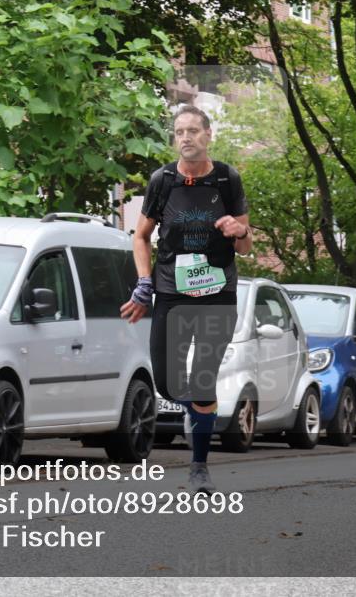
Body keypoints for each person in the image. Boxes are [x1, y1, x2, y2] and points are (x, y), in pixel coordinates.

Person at [120, 104, 251, 493]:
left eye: (194, 130)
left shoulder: (227, 179)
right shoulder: (162, 181)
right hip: (172, 293)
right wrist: (144, 283)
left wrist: (236, 229)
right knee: (167, 383)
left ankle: (199, 467)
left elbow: (246, 245)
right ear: (174, 138)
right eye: (179, 132)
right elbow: (140, 236)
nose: (186, 137)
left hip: (217, 294)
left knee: (202, 379)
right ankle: (198, 405)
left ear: (208, 135)